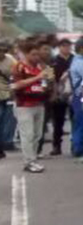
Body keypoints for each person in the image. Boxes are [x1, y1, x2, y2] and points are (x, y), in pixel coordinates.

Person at [11, 42, 53, 173]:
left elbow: (44, 84)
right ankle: (28, 162)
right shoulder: (19, 66)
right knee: (27, 134)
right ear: (26, 54)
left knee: (37, 134)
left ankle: (33, 159)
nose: (36, 57)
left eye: (37, 54)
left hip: (39, 104)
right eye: (33, 54)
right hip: (24, 105)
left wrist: (48, 82)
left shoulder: (41, 67)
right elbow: (16, 85)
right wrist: (37, 78)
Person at [46, 38, 74, 156]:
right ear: (59, 47)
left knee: (75, 120)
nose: (66, 48)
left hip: (73, 93)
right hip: (58, 93)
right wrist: (53, 91)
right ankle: (56, 146)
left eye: (68, 46)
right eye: (63, 46)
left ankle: (75, 146)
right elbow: (49, 77)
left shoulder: (75, 59)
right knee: (58, 122)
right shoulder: (53, 61)